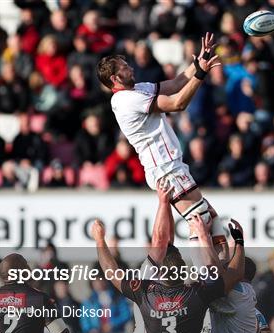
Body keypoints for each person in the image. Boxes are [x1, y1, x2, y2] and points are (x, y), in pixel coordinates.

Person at [91, 180, 245, 333]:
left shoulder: (144, 287)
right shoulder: (194, 293)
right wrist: (220, 238)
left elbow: (114, 269)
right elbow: (228, 273)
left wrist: (99, 239)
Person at [96, 32, 228, 258]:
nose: (131, 67)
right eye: (125, 67)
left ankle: (217, 270)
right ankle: (206, 278)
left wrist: (198, 62)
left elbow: (176, 83)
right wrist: (201, 74)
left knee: (211, 220)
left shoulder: (135, 90)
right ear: (115, 79)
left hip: (169, 165)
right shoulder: (126, 99)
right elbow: (178, 103)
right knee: (200, 220)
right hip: (165, 167)